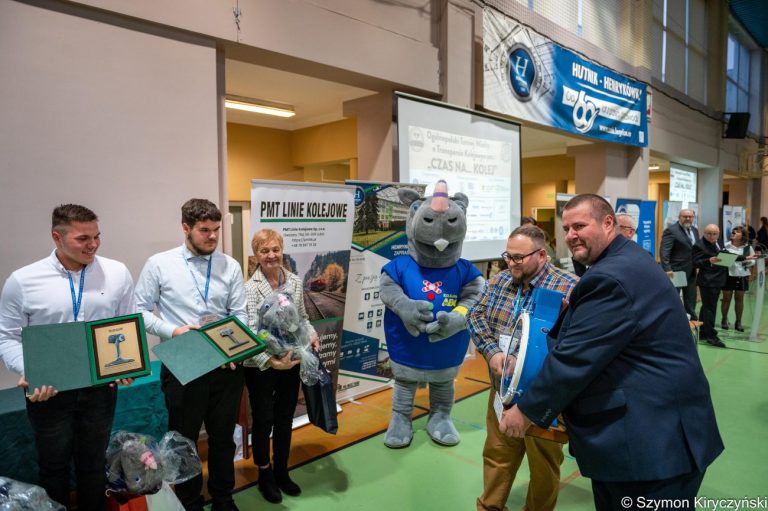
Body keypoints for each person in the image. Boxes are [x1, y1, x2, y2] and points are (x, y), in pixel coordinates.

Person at [499, 194, 723, 511]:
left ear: (608, 223)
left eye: (580, 226)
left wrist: (526, 411)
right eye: (566, 228)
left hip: (652, 447)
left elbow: (577, 358)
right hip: (658, 434)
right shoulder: (626, 260)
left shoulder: (609, 277)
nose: (571, 235)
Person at [0, 204, 135, 510]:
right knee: (54, 468)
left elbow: (126, 323)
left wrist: (126, 364)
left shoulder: (117, 273)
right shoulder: (23, 281)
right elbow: (6, 336)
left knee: (93, 465)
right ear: (56, 237)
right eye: (83, 238)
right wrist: (31, 370)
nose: (93, 245)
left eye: (97, 236)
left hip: (100, 389)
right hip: (49, 391)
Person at [134, 198, 247, 511]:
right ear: (186, 228)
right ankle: (190, 502)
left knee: (223, 437)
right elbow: (139, 311)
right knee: (183, 442)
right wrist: (173, 330)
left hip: (225, 365)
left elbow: (239, 313)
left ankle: (223, 497)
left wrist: (237, 348)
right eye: (204, 230)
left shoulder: (230, 265)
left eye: (216, 229)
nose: (212, 236)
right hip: (182, 362)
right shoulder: (159, 264)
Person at [467, 225, 578, 511]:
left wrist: (523, 360)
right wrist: (492, 352)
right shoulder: (500, 280)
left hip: (543, 398)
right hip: (502, 391)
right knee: (497, 455)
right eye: (508, 256)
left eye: (518, 258)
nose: (511, 263)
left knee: (543, 468)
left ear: (541, 255)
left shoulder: (570, 287)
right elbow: (475, 315)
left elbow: (576, 346)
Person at [243, 229, 318, 504]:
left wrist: (311, 333)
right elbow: (251, 330)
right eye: (264, 251)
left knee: (285, 417)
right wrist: (272, 360)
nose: (271, 255)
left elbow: (303, 317)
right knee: (263, 419)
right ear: (256, 255)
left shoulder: (294, 282)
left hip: (291, 359)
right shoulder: (250, 288)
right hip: (261, 365)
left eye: (275, 249)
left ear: (282, 250)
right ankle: (264, 473)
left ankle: (282, 470)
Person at [692, 225, 729, 347]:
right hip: (707, 281)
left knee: (707, 307)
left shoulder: (720, 242)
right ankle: (712, 337)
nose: (712, 236)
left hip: (718, 279)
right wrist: (708, 261)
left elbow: (727, 255)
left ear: (718, 233)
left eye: (715, 234)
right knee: (710, 308)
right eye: (709, 233)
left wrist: (744, 258)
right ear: (704, 233)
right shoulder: (699, 245)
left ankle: (703, 332)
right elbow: (695, 263)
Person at [660, 209, 699, 319]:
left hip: (691, 271)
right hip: (676, 272)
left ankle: (691, 322)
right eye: (685, 216)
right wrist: (667, 269)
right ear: (679, 217)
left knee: (691, 299)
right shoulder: (671, 231)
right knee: (674, 298)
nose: (688, 219)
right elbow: (664, 252)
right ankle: (672, 321)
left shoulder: (695, 230)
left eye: (690, 217)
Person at [720, 226, 756, 332]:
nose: (734, 232)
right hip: (728, 274)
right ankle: (724, 319)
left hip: (742, 275)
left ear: (743, 235)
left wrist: (750, 262)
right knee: (726, 298)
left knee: (739, 298)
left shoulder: (748, 247)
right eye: (733, 231)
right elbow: (722, 259)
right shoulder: (725, 246)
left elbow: (753, 259)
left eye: (737, 232)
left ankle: (738, 322)